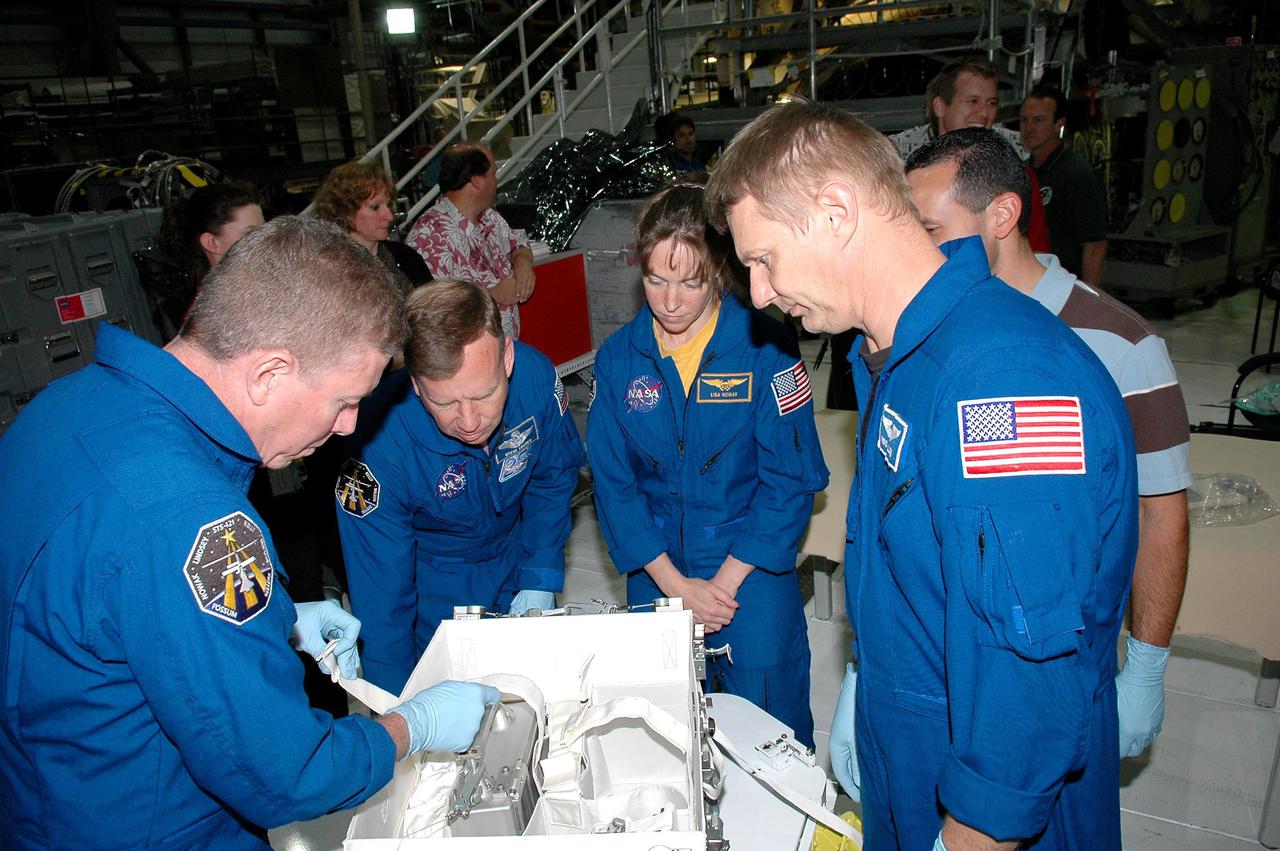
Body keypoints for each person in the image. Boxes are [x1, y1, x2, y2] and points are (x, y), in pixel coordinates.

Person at [705, 101, 1138, 851]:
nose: (762, 292)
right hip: (910, 762)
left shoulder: (1000, 380)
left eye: (763, 257)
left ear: (836, 210)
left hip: (990, 818)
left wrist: (971, 832)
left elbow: (1028, 677)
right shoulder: (894, 357)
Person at [0, 216, 500, 849]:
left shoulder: (61, 407)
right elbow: (289, 773)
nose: (349, 427)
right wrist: (412, 726)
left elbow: (107, 607)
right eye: (343, 400)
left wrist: (274, 615)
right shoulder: (190, 519)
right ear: (269, 373)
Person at [904, 127, 1192, 760]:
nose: (909, 250)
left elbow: (1159, 513)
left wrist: (1145, 665)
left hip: (1059, 662)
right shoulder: (925, 337)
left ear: (1003, 215)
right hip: (940, 655)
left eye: (926, 229)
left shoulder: (1122, 346)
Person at [586, 177, 828, 746]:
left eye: (691, 282)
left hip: (749, 566)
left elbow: (789, 481)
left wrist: (719, 586)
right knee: (660, 734)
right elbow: (616, 490)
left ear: (719, 270)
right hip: (656, 566)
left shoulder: (767, 348)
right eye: (655, 279)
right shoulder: (620, 361)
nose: (670, 302)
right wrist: (675, 588)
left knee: (771, 733)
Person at [335, 279, 585, 694]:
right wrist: (397, 708)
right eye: (446, 403)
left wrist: (539, 573)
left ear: (506, 358)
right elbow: (381, 593)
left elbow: (552, 478)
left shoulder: (536, 380)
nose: (469, 422)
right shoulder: (377, 445)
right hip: (434, 581)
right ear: (416, 384)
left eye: (484, 395)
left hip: (517, 551)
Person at [887, 57, 1049, 252]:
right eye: (973, 101)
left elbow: (1037, 251)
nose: (984, 112)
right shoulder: (902, 179)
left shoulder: (1017, 177)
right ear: (940, 106)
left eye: (991, 103)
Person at [406, 143, 536, 339]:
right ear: (476, 181)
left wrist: (522, 263)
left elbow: (519, 244)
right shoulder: (429, 235)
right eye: (492, 174)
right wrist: (493, 295)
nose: (496, 180)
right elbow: (432, 308)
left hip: (503, 350)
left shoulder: (490, 218)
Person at [148, 182, 264, 336]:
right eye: (250, 234)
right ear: (211, 243)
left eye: (264, 231)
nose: (264, 241)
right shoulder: (207, 319)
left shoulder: (254, 291)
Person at [1020, 85, 1109, 285]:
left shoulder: (1077, 174)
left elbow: (1095, 245)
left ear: (1058, 124)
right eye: (1024, 120)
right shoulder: (1022, 173)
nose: (1029, 128)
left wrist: (1087, 303)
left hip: (1065, 284)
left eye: (1039, 120)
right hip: (1032, 283)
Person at [312, 160, 432, 289]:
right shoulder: (328, 271)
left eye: (388, 204)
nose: (389, 216)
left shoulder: (407, 257)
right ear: (345, 211)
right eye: (375, 207)